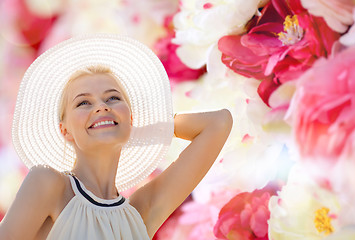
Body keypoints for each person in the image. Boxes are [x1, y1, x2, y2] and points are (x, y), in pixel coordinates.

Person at [0, 34, 233, 239]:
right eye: (83, 102)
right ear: (65, 130)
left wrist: (138, 126)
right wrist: (114, 123)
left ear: (131, 117)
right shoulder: (48, 184)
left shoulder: (141, 214)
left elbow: (219, 123)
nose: (101, 106)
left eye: (112, 98)